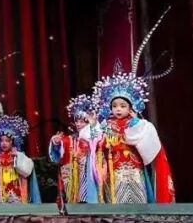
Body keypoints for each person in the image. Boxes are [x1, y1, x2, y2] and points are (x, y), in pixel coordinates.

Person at [92, 68, 175, 204]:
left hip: (135, 170)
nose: (118, 109)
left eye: (123, 106)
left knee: (139, 204)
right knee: (117, 206)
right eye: (114, 106)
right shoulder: (106, 124)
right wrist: (93, 127)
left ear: (130, 108)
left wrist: (135, 123)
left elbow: (146, 143)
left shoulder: (138, 124)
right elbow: (95, 141)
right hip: (114, 172)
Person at [48, 94, 100, 205]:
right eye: (77, 121)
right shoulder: (71, 139)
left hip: (90, 175)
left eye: (83, 121)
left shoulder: (95, 136)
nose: (78, 124)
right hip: (73, 176)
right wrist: (56, 142)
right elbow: (60, 148)